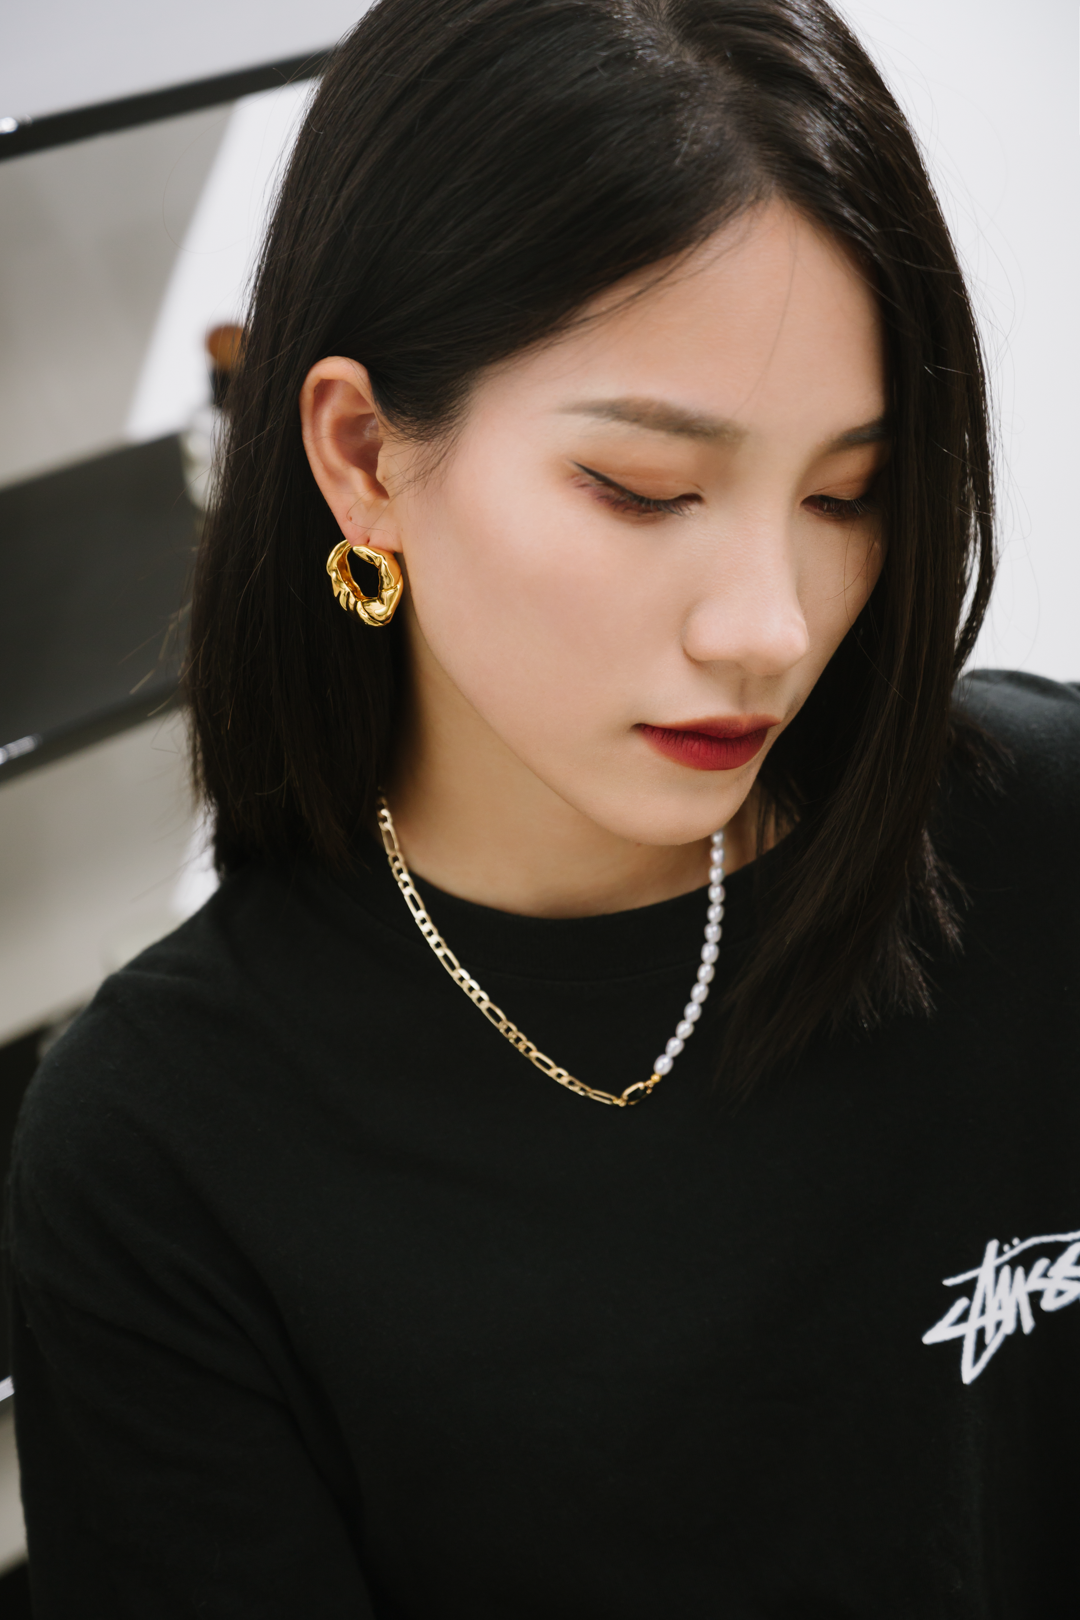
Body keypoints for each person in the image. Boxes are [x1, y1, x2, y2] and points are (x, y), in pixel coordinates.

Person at [8, 0, 1078, 1613]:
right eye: (645, 491)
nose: (770, 625)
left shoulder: (1040, 847)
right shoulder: (166, 1154)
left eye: (846, 493)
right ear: (364, 456)